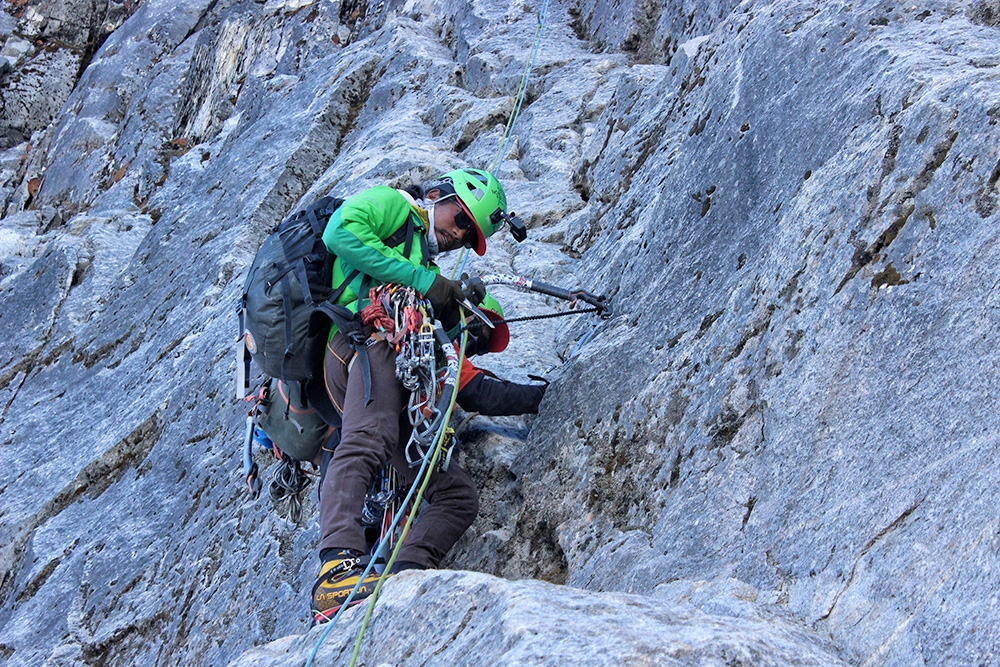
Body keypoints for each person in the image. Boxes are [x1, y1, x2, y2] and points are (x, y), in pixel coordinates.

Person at [312, 169, 513, 620]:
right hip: (363, 341)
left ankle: (408, 574)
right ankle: (335, 571)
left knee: (456, 494)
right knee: (369, 438)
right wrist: (424, 284)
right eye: (461, 220)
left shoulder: (424, 265)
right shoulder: (393, 205)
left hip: (399, 362)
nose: (458, 234)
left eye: (468, 235)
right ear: (439, 195)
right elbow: (339, 232)